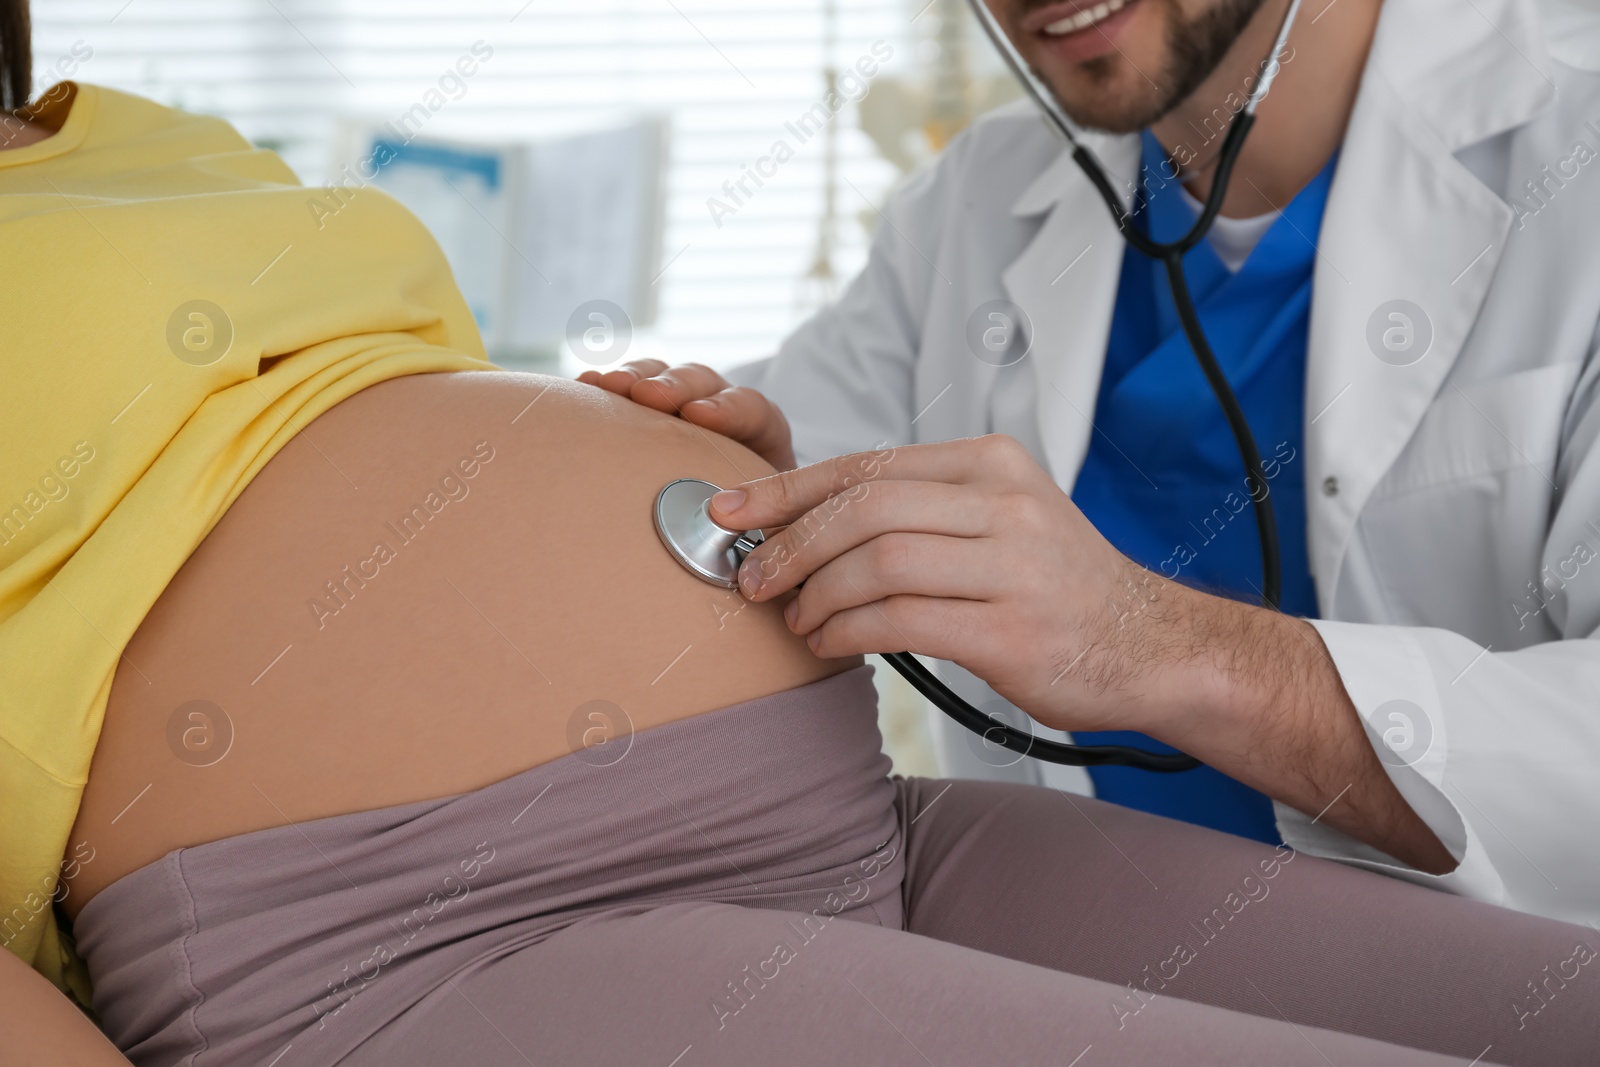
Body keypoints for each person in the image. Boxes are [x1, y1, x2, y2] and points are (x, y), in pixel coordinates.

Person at [3, 12, 1598, 1067]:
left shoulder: (1574, 151)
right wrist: (738, 461)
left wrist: (1156, 646)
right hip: (438, 916)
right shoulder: (988, 204)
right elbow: (798, 433)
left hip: (846, 830)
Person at [580, 0, 1600, 927]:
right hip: (1069, 984)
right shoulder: (973, 206)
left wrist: (1153, 646)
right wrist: (753, 485)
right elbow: (768, 459)